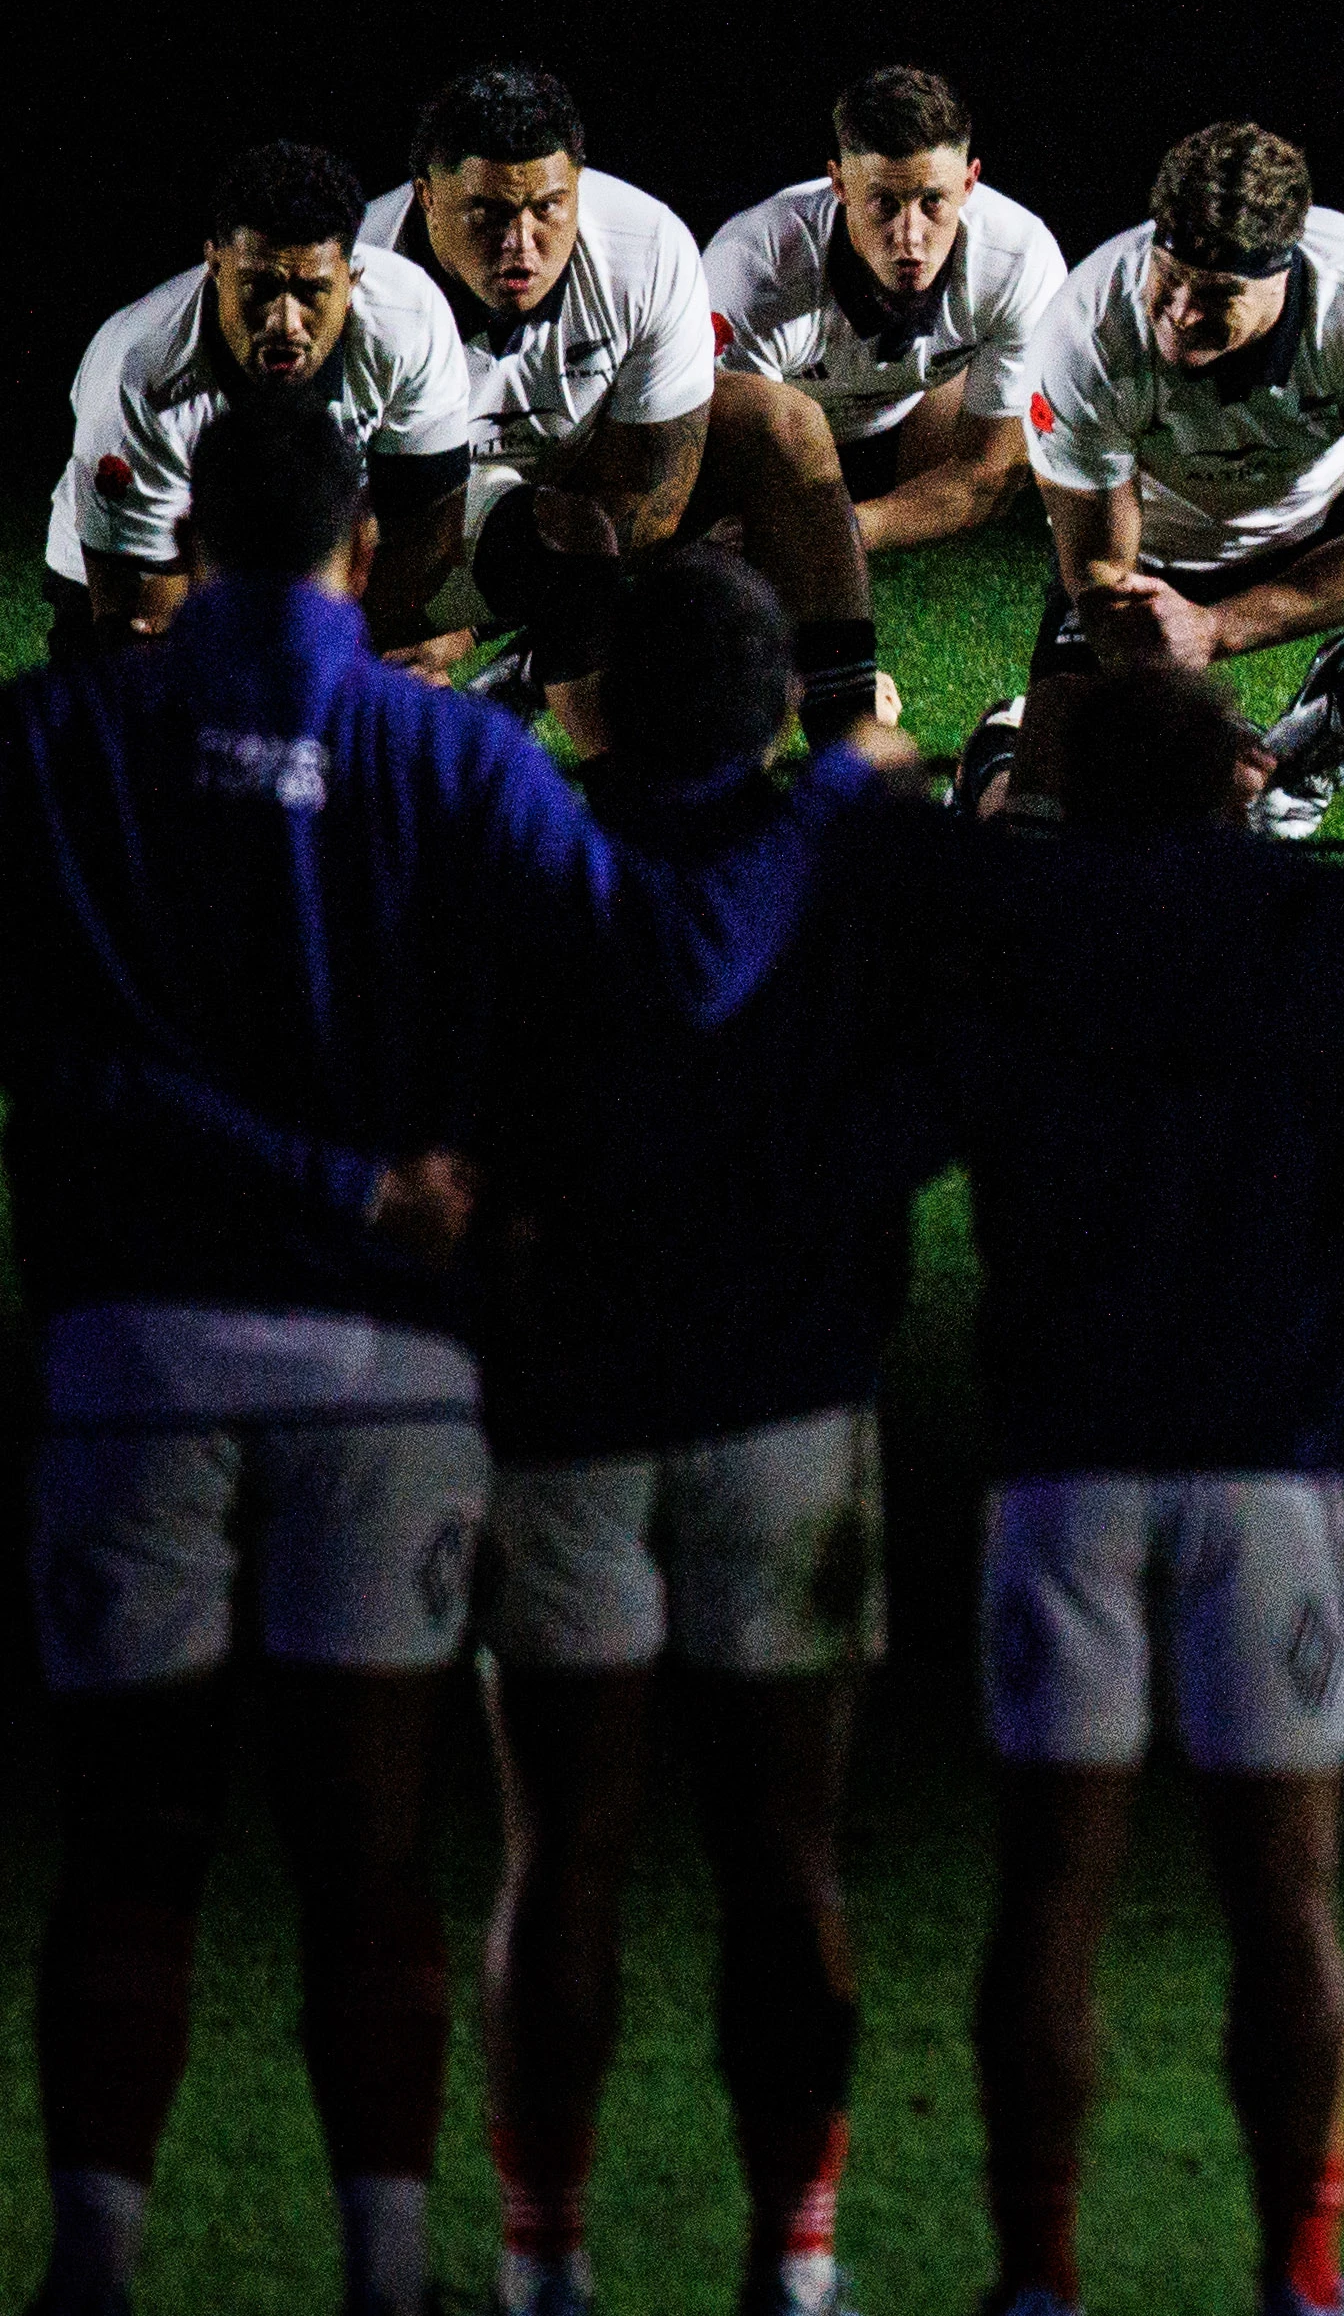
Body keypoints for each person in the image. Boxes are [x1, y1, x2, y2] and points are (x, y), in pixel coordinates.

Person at [0, 402, 887, 2316]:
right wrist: (832, 788)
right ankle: (402, 2275)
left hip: (126, 1354)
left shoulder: (58, 734)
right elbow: (658, 969)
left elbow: (53, 1058)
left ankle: (95, 2269)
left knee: (133, 1839)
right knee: (373, 1845)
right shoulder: (448, 751)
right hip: (393, 1365)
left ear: (172, 534)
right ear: (366, 553)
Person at [933, 660, 1344, 2316]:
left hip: (1060, 1468)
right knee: (1286, 1895)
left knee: (1051, 1890)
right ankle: (1299, 2276)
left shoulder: (1012, 924)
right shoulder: (1302, 923)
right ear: (1242, 774)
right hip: (1264, 1466)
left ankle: (1037, 2279)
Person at [468, 550, 935, 2316]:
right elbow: (925, 1078)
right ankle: (791, 2260)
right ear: (767, 706)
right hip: (791, 1397)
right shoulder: (848, 856)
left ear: (598, 691)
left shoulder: (516, 846)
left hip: (566, 1402)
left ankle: (546, 2262)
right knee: (787, 1852)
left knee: (557, 1848)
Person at [365, 63, 885, 745]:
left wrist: (498, 614)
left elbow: (654, 500)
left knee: (783, 424)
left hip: (575, 485)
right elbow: (331, 520)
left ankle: (854, 755)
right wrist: (412, 622)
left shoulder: (646, 247)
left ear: (577, 188)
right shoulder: (356, 281)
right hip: (407, 523)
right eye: (487, 212)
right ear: (426, 197)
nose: (520, 242)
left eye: (547, 207)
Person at [996, 118, 1344, 834]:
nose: (1179, 311)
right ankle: (996, 752)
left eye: (1215, 294)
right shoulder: (1086, 327)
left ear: (1283, 274)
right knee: (1044, 822)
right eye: (1169, 276)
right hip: (1152, 562)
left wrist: (1217, 628)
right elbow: (1099, 571)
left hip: (1325, 535)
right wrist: (1195, 724)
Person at [47, 136, 475, 653]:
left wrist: (354, 667)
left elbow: (428, 529)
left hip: (323, 555)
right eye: (260, 288)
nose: (285, 323)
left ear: (352, 277)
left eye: (312, 291)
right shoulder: (137, 373)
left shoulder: (410, 320)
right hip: (150, 570)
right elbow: (146, 623)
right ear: (215, 265)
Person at [701, 61, 1068, 560]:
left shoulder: (1020, 261)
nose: (910, 238)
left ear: (969, 183)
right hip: (779, 435)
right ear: (840, 184)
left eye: (932, 201)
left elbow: (989, 473)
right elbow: (729, 449)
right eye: (884, 203)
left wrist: (844, 530)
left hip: (908, 421)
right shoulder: (754, 269)